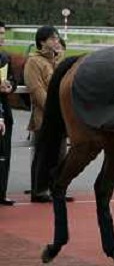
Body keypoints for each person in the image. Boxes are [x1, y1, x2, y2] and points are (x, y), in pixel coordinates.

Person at [24, 25, 69, 203]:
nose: (56, 41)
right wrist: (53, 111)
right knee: (44, 155)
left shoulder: (56, 61)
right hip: (44, 118)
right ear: (42, 41)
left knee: (60, 154)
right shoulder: (33, 62)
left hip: (60, 117)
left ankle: (56, 188)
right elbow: (37, 90)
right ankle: (39, 190)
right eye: (53, 38)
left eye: (57, 38)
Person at [0, 21, 16, 206]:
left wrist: (9, 85)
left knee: (4, 155)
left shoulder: (4, 57)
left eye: (3, 33)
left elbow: (13, 78)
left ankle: (2, 193)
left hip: (5, 112)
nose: (2, 37)